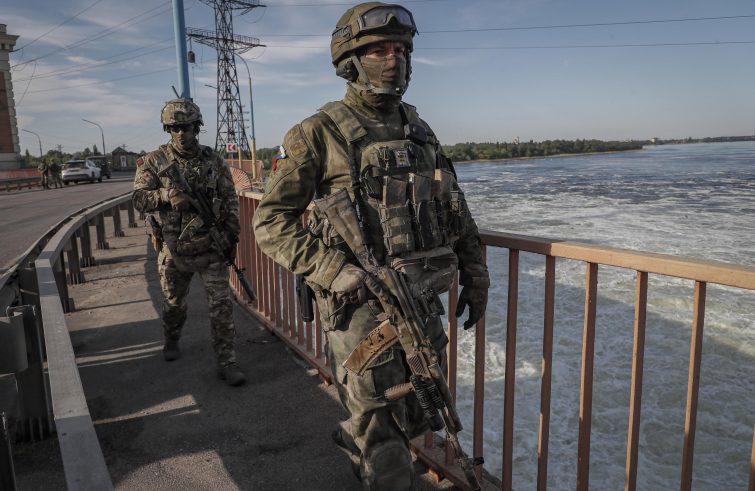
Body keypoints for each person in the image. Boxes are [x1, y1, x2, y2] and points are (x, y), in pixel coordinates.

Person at [252, 3, 489, 488]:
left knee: (420, 408)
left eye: (400, 50)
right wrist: (333, 270)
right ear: (350, 62)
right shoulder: (318, 133)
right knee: (381, 431)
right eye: (379, 50)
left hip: (418, 300)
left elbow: (455, 208)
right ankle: (373, 453)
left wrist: (476, 275)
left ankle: (357, 440)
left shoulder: (419, 131)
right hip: (358, 309)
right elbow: (270, 221)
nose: (393, 60)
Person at [132, 98, 245, 386]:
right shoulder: (154, 161)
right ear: (168, 129)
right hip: (174, 249)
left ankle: (227, 361)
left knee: (221, 306)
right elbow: (138, 199)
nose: (182, 133)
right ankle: (171, 338)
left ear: (197, 127)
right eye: (175, 128)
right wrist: (166, 196)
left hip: (211, 245)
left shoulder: (213, 160)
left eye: (187, 127)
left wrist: (232, 235)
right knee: (174, 306)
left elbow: (230, 199)